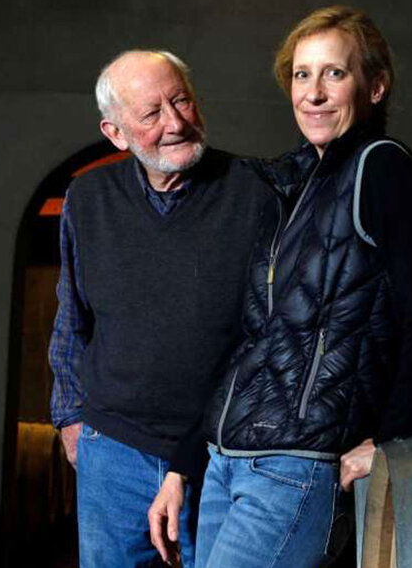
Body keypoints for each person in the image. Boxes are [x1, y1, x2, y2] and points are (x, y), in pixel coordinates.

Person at [149, 7, 412, 568]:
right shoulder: (289, 188)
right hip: (226, 460)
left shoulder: (382, 167)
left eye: (334, 74)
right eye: (301, 75)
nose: (313, 93)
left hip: (294, 467)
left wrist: (395, 440)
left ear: (376, 86)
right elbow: (249, 341)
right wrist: (184, 463)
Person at [49, 49, 277, 568]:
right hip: (113, 449)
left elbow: (268, 335)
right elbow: (71, 316)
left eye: (182, 101)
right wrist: (68, 418)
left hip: (219, 452)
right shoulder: (87, 199)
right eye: (151, 113)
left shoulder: (256, 191)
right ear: (116, 133)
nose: (175, 123)